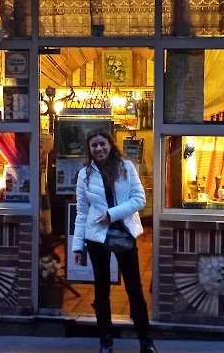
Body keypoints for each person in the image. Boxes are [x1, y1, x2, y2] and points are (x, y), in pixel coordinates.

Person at [72, 129, 157, 353]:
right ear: (89, 150)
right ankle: (106, 342)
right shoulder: (84, 175)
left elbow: (139, 199)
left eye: (102, 144)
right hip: (96, 236)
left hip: (124, 232)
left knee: (134, 288)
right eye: (94, 146)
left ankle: (145, 341)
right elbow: (82, 212)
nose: (99, 149)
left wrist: (113, 214)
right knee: (101, 291)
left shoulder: (126, 168)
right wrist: (77, 245)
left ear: (110, 144)